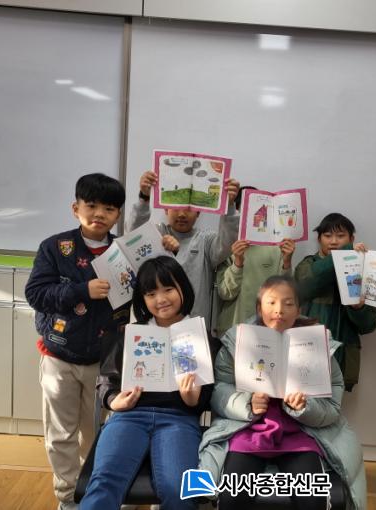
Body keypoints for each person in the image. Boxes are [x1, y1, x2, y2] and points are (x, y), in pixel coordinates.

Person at [198, 275, 367, 510]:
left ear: (299, 310)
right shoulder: (237, 342)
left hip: (301, 434)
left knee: (313, 500)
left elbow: (332, 406)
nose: (279, 310)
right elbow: (219, 391)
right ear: (259, 308)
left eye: (288, 304)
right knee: (232, 498)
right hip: (247, 433)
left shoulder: (317, 345)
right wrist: (247, 403)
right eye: (271, 302)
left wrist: (305, 407)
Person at [25, 173, 131, 510]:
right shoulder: (55, 247)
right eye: (92, 205)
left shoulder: (124, 251)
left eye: (109, 208)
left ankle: (95, 495)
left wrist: (167, 250)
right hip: (59, 355)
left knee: (96, 435)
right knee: (60, 434)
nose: (99, 214)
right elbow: (36, 294)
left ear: (118, 215)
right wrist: (82, 290)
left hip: (104, 361)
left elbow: (146, 293)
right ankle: (68, 498)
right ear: (76, 208)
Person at [80, 256, 217, 510]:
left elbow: (207, 397)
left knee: (180, 490)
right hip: (130, 416)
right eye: (151, 293)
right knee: (104, 482)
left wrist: (192, 399)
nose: (161, 299)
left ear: (183, 288)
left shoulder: (200, 336)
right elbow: (107, 380)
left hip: (178, 420)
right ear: (142, 299)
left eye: (168, 289)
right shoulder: (131, 333)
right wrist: (114, 400)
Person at [126, 170, 240, 323]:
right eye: (176, 207)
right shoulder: (156, 233)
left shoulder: (206, 240)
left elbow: (228, 241)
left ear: (198, 213)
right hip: (155, 323)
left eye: (189, 209)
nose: (182, 214)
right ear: (166, 209)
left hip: (194, 325)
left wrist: (230, 206)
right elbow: (132, 236)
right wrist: (144, 197)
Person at [294, 213, 376, 392]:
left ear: (352, 239)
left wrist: (359, 308)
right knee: (299, 404)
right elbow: (307, 283)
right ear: (319, 239)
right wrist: (343, 254)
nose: (333, 241)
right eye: (327, 236)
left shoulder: (364, 271)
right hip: (307, 354)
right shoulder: (308, 265)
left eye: (340, 236)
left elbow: (370, 325)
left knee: (333, 408)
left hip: (342, 359)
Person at [215, 185, 296, 337]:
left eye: (258, 209)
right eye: (246, 209)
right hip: (232, 331)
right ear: (236, 212)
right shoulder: (226, 246)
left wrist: (287, 261)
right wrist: (238, 262)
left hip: (268, 330)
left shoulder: (276, 247)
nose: (254, 215)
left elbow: (286, 292)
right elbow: (225, 293)